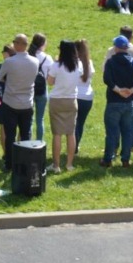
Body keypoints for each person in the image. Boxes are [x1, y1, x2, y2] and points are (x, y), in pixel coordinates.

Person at [100, 34, 133, 167]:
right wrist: (131, 90)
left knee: (112, 132)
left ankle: (108, 159)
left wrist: (118, 90)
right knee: (127, 131)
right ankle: (125, 159)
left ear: (116, 48)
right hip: (128, 103)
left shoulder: (111, 62)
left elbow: (107, 79)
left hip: (113, 101)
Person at [0, 34, 39, 166]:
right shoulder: (35, 61)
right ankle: (24, 162)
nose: (13, 44)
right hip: (27, 103)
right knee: (26, 135)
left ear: (19, 44)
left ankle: (9, 163)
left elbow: (1, 77)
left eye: (14, 42)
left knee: (10, 136)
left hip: (10, 103)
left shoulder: (9, 62)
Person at [46, 40, 85, 173]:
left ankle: (56, 166)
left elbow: (50, 82)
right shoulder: (78, 65)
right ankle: (69, 164)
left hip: (57, 100)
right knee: (70, 133)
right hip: (71, 100)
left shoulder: (56, 65)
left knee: (57, 134)